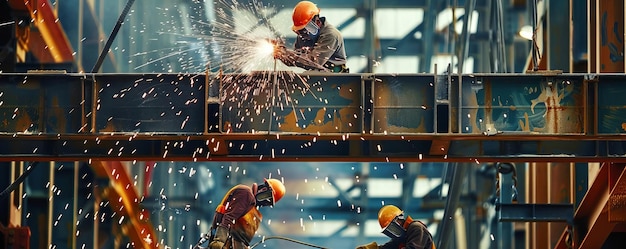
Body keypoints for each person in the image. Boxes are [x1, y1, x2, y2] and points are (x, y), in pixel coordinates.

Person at [194, 178, 286, 249]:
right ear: (263, 189)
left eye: (268, 201)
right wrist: (220, 240)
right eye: (267, 197)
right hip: (225, 240)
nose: (265, 202)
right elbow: (229, 217)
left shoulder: (252, 207)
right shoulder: (246, 194)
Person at [274, 1, 349, 73]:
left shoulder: (330, 35)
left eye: (306, 29)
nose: (304, 34)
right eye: (301, 30)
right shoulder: (303, 35)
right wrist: (282, 53)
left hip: (335, 76)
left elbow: (314, 62)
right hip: (316, 74)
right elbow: (296, 59)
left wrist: (286, 54)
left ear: (317, 21)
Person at [356, 205, 436, 249]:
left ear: (398, 219)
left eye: (392, 228)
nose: (392, 232)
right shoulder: (402, 237)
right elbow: (387, 248)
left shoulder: (416, 228)